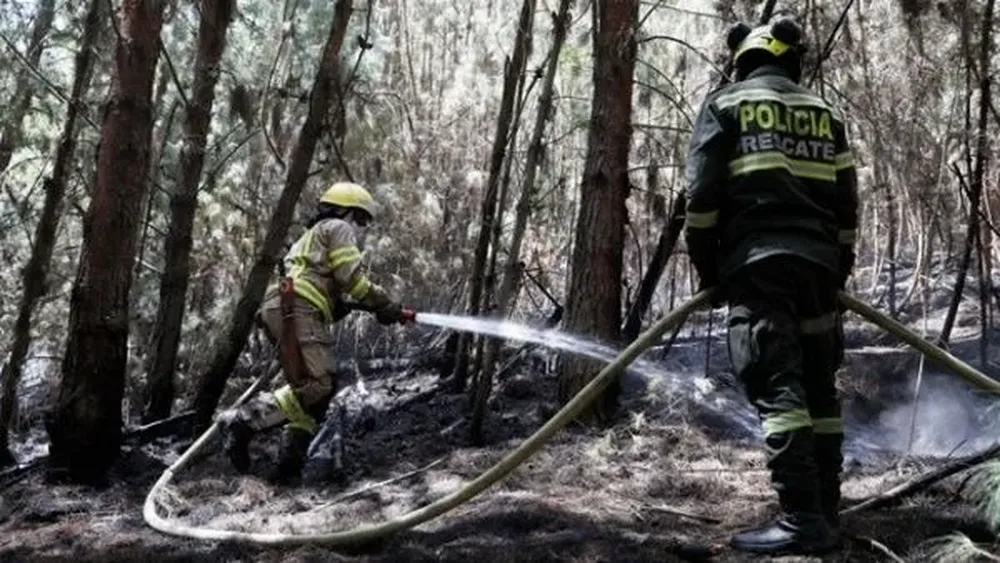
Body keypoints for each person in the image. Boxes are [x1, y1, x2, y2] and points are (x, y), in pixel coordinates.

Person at [682, 16, 859, 555]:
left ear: (742, 60)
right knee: (819, 386)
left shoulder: (725, 104)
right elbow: (846, 204)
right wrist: (836, 270)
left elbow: (701, 202)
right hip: (819, 269)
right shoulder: (824, 111)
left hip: (758, 267)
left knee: (776, 381)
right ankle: (826, 510)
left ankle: (802, 519)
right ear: (790, 59)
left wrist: (712, 273)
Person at [219, 181, 411, 484]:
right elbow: (352, 279)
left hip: (286, 307)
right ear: (345, 211)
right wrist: (385, 304)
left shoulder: (312, 237)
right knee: (319, 385)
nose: (361, 228)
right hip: (297, 307)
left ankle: (288, 468)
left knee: (315, 394)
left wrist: (338, 305)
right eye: (361, 219)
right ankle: (243, 420)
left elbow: (321, 282)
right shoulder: (338, 227)